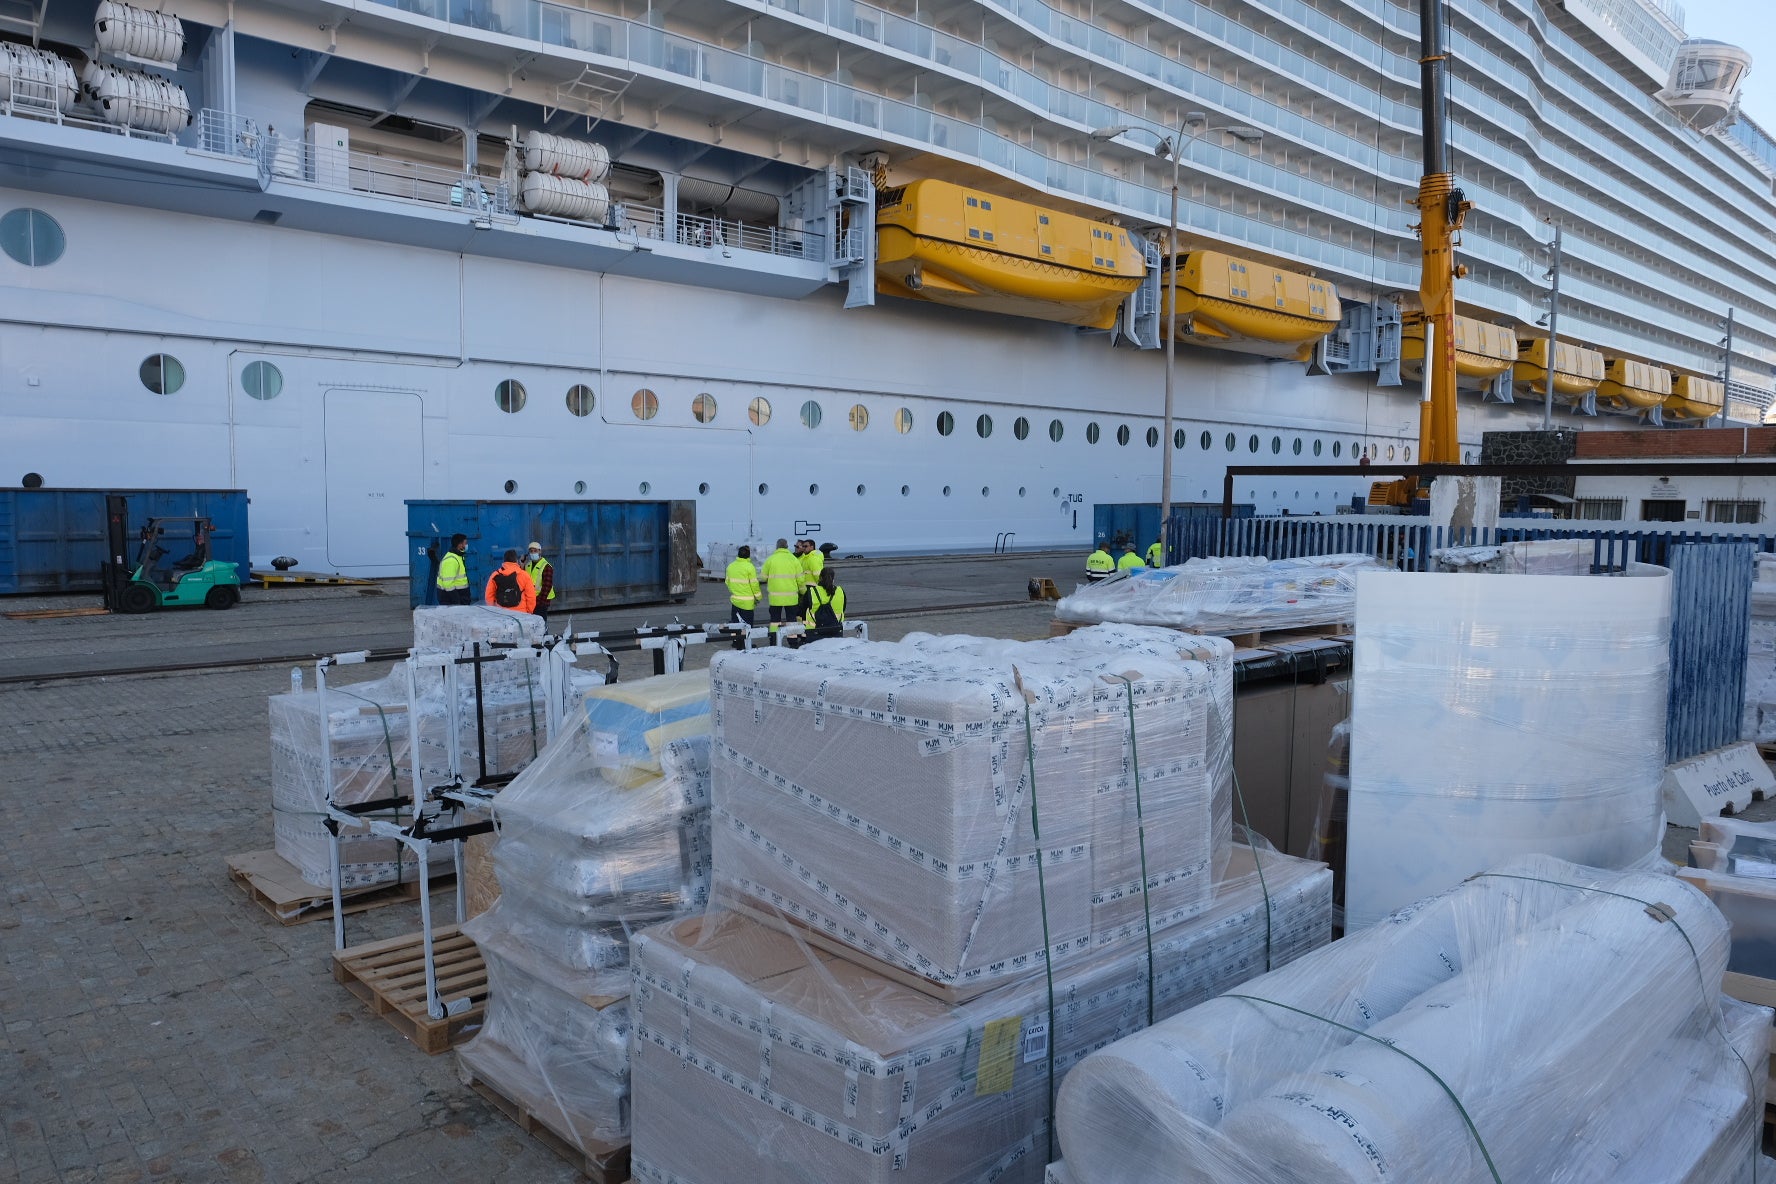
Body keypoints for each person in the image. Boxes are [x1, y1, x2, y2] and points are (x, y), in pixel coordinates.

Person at [790, 568, 845, 647]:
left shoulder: (812, 592)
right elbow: (843, 608)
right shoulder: (840, 591)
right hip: (836, 632)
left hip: (814, 634)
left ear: (820, 578)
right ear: (833, 579)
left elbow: (802, 611)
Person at [760, 538, 802, 637]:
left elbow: (762, 578)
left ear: (777, 547)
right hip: (791, 597)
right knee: (791, 621)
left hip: (775, 598)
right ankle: (793, 642)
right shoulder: (794, 559)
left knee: (775, 621)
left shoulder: (770, 559)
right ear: (787, 547)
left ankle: (774, 640)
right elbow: (800, 579)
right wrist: (803, 591)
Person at [725, 544, 761, 648]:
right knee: (747, 624)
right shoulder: (750, 567)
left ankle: (736, 641)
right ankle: (745, 644)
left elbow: (727, 582)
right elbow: (754, 584)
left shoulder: (731, 566)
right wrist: (758, 597)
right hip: (747, 602)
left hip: (735, 600)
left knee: (735, 623)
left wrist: (734, 591)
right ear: (748, 556)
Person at [522, 541, 555, 619]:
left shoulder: (546, 566)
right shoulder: (528, 565)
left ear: (540, 551)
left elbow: (547, 587)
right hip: (531, 599)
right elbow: (522, 579)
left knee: (541, 623)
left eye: (535, 551)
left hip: (541, 601)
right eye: (531, 551)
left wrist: (539, 603)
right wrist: (522, 563)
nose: (533, 553)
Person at [436, 533, 471, 605]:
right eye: (465, 543)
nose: (466, 545)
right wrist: (457, 601)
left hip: (459, 597)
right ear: (460, 545)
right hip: (450, 600)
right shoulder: (451, 560)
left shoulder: (459, 556)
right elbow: (448, 584)